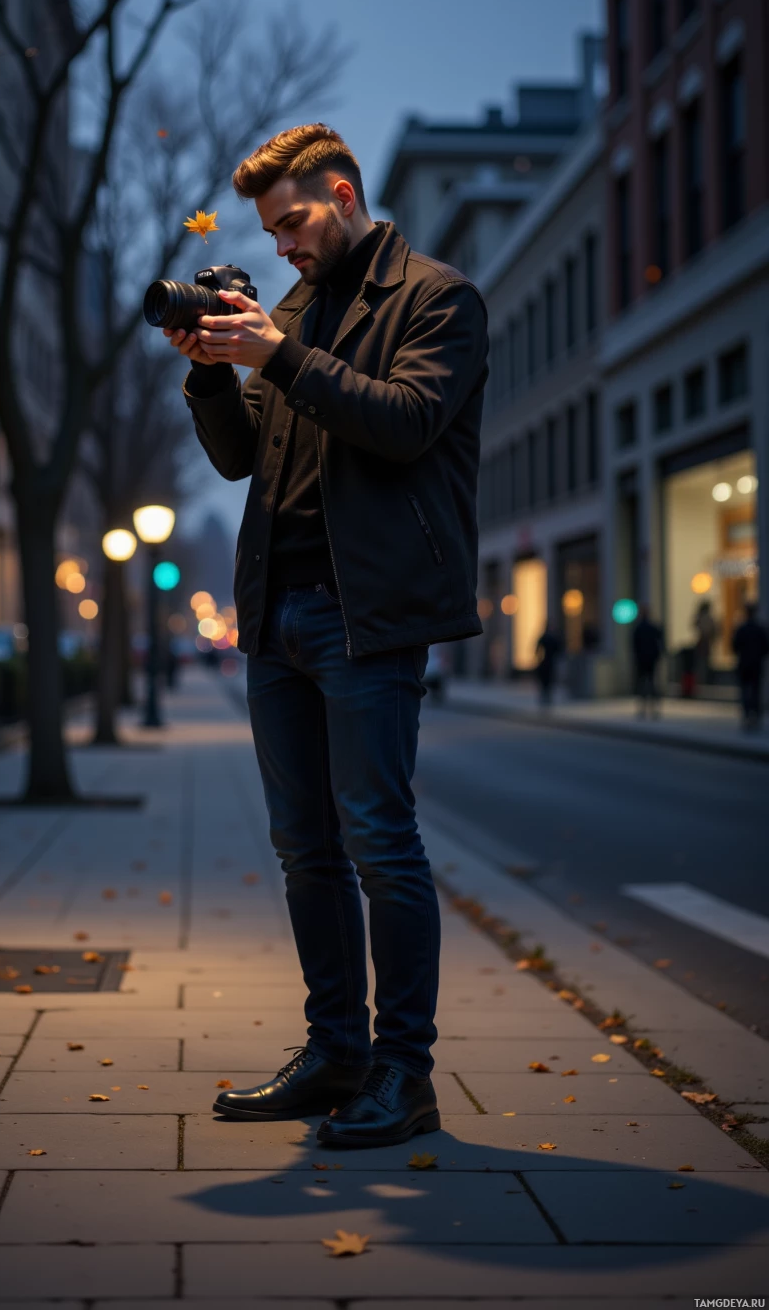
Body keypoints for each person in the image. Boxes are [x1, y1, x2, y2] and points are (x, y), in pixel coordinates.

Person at [166, 123, 488, 1148]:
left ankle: (404, 1074)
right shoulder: (295, 309)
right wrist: (215, 371)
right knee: (304, 849)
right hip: (274, 613)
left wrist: (282, 352)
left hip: (368, 613)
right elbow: (240, 461)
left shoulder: (436, 298)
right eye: (269, 233)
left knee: (378, 842)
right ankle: (334, 1052)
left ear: (342, 193)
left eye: (293, 222)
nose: (282, 250)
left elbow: (403, 422)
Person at [732, 602, 769, 731]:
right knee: (755, 690)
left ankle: (747, 714)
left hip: (744, 664)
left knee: (745, 691)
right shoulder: (760, 629)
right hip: (756, 664)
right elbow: (766, 647)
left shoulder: (742, 629)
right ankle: (755, 715)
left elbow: (735, 646)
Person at [632, 605, 664, 719]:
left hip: (643, 659)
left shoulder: (639, 628)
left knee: (643, 684)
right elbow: (660, 640)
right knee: (651, 683)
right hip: (650, 659)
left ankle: (643, 709)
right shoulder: (651, 627)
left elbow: (634, 646)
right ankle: (653, 709)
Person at [535, 624, 562, 707]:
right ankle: (547, 698)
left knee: (546, 682)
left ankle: (545, 698)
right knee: (548, 681)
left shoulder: (545, 637)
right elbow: (559, 651)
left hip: (546, 663)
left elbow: (537, 650)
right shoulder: (552, 638)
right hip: (550, 663)